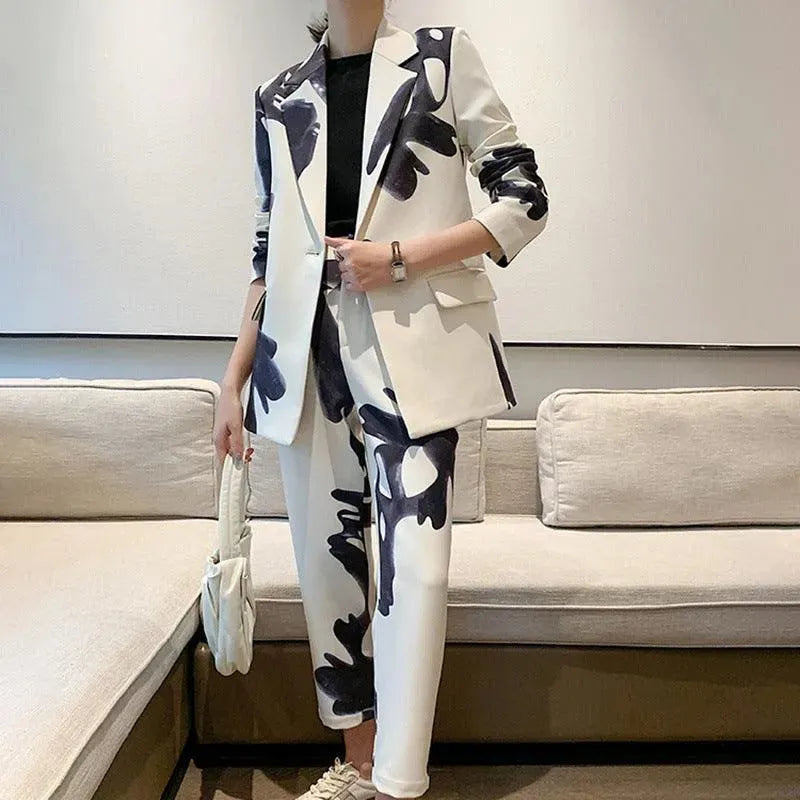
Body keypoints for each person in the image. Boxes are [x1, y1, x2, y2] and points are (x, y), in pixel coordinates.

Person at [214, 1, 548, 797]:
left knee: (417, 573)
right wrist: (233, 378)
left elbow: (524, 198)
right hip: (303, 356)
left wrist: (397, 257)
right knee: (328, 571)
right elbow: (269, 251)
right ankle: (358, 766)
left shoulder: (440, 57)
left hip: (414, 350)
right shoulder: (278, 95)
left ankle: (399, 781)